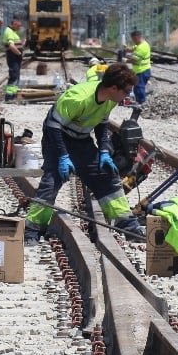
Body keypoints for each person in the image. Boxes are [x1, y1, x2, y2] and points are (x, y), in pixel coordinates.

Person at [25, 63, 144, 243]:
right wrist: (63, 156)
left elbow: (102, 124)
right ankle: (32, 231)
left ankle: (128, 227)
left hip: (81, 140)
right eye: (126, 91)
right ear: (113, 88)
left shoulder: (110, 99)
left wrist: (103, 151)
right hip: (56, 139)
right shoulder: (78, 98)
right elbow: (53, 126)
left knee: (107, 178)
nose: (128, 95)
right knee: (51, 183)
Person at [125, 29, 151, 105]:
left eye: (134, 39)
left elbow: (134, 60)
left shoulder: (142, 47)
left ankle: (141, 103)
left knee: (139, 88)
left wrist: (126, 60)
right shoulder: (140, 44)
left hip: (142, 71)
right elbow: (134, 47)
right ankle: (139, 102)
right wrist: (130, 49)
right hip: (140, 70)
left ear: (138, 37)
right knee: (137, 87)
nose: (133, 41)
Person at [3, 18, 24, 102]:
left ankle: (13, 95)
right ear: (14, 24)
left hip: (14, 56)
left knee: (16, 76)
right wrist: (19, 54)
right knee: (14, 76)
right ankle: (9, 97)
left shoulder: (13, 32)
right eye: (18, 26)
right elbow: (11, 46)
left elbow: (15, 44)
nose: (19, 27)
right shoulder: (9, 31)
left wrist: (22, 43)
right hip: (13, 57)